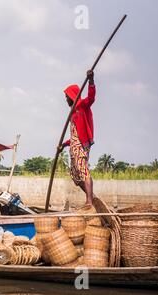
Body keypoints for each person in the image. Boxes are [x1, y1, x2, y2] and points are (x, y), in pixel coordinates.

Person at [59, 70, 97, 213]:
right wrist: (63, 145)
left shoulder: (81, 106)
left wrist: (91, 81)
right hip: (74, 146)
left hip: (82, 146)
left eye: (66, 96)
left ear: (72, 96)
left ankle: (89, 201)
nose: (65, 99)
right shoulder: (72, 114)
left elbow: (91, 98)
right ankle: (90, 195)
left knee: (83, 171)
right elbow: (74, 136)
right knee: (76, 176)